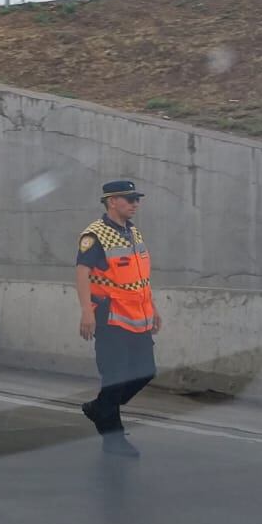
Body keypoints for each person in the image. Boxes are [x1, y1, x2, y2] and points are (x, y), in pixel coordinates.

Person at [76, 180, 161, 458]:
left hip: (139, 317)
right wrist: (87, 312)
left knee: (145, 371)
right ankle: (113, 438)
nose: (135, 204)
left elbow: (141, 278)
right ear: (112, 201)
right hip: (110, 318)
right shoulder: (95, 235)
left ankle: (101, 407)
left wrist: (155, 309)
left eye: (136, 199)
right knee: (115, 377)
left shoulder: (133, 232)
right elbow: (82, 272)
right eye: (129, 199)